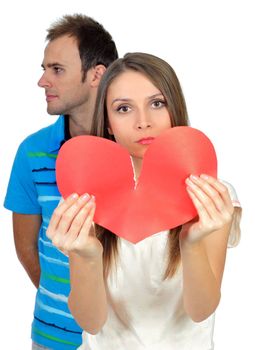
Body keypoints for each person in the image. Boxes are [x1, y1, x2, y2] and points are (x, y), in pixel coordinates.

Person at [46, 52, 242, 350]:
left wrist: (191, 243)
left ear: (174, 109)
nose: (143, 122)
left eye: (157, 103)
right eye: (124, 108)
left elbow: (201, 310)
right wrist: (87, 255)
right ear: (108, 123)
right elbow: (91, 322)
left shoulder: (212, 196)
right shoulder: (87, 197)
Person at [4, 14, 118, 350]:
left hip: (125, 339)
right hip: (54, 338)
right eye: (44, 69)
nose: (43, 81)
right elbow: (26, 247)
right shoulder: (33, 153)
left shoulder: (135, 148)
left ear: (97, 74)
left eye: (57, 69)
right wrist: (65, 301)